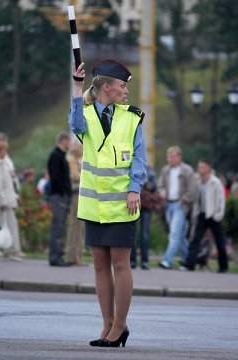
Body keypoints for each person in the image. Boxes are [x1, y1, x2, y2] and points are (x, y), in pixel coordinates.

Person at [69, 58, 146, 347]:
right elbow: (74, 121)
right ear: (105, 88)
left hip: (123, 203)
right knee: (100, 266)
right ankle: (108, 325)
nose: (126, 91)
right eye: (122, 86)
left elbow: (139, 157)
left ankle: (121, 326)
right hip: (93, 204)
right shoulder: (85, 116)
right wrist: (77, 86)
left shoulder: (133, 117)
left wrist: (134, 189)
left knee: (120, 263)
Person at [184, 159, 228, 273]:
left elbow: (221, 200)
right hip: (203, 214)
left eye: (202, 167)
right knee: (195, 239)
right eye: (199, 167)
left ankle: (223, 267)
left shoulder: (216, 182)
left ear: (208, 168)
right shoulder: (199, 183)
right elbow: (198, 200)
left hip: (214, 215)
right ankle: (190, 265)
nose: (200, 169)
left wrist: (218, 215)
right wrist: (197, 213)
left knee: (219, 241)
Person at [157, 146, 195, 269]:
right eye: (168, 156)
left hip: (180, 206)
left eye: (172, 156)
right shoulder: (165, 170)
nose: (170, 159)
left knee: (174, 234)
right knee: (180, 236)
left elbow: (192, 191)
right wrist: (161, 191)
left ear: (179, 156)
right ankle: (187, 261)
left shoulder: (187, 170)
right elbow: (160, 185)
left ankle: (167, 261)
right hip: (168, 205)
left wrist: (183, 200)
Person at [47, 132, 72, 267]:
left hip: (62, 196)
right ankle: (55, 257)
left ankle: (58, 255)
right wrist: (63, 193)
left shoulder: (61, 156)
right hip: (58, 196)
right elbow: (56, 178)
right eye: (68, 141)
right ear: (63, 141)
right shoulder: (56, 156)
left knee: (61, 227)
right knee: (57, 227)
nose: (70, 145)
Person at [130, 165, 160, 270]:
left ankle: (144, 261)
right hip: (133, 203)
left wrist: (142, 182)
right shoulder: (131, 165)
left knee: (145, 234)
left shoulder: (150, 169)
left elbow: (153, 186)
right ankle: (132, 260)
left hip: (146, 205)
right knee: (133, 233)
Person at [0, 139, 21, 261]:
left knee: (10, 225)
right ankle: (9, 249)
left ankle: (11, 249)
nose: (5, 152)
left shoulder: (4, 164)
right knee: (6, 226)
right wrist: (1, 202)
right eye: (4, 150)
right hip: (3, 202)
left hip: (8, 200)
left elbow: (9, 184)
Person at [66, 141, 85, 265]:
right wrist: (86, 175)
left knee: (81, 226)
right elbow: (74, 175)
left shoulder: (79, 159)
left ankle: (78, 255)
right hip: (75, 193)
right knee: (75, 225)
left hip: (81, 193)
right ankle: (72, 255)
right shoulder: (71, 159)